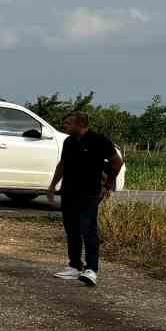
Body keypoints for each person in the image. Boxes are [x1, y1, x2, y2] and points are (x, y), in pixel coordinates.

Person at [48, 111, 122, 287]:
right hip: (69, 192)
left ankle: (91, 270)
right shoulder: (69, 142)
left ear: (80, 124)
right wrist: (53, 186)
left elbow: (117, 162)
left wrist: (108, 185)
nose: (65, 126)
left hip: (89, 193)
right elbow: (63, 164)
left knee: (88, 229)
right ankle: (74, 266)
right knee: (71, 229)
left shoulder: (99, 140)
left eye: (68, 123)